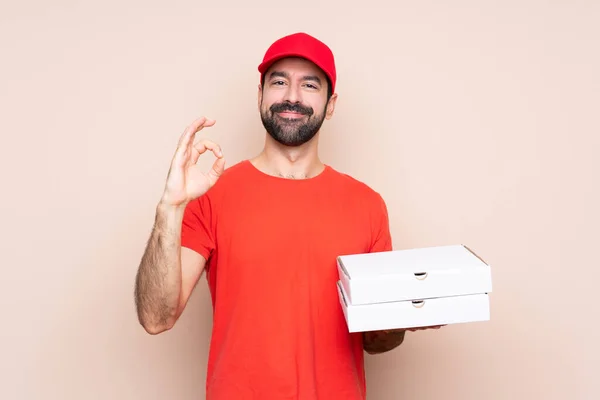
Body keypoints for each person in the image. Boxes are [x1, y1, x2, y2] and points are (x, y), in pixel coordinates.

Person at [134, 32, 440, 400]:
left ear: (330, 104)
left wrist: (402, 316)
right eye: (279, 82)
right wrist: (168, 208)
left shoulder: (367, 204)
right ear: (260, 95)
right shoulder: (213, 194)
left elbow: (375, 341)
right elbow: (156, 317)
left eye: (309, 84)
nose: (292, 96)